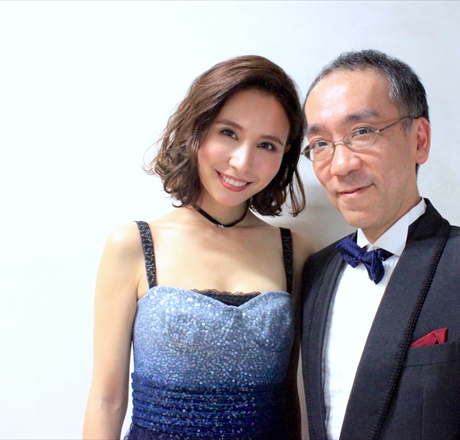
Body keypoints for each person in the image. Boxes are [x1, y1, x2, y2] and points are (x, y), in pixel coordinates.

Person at [300, 50, 460, 439]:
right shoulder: (316, 272)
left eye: (362, 132)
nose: (340, 165)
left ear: (419, 140)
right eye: (320, 143)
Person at [83, 55, 314, 439]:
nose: (242, 162)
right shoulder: (134, 245)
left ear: (284, 155)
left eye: (267, 145)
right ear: (197, 129)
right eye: (229, 133)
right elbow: (106, 400)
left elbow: (289, 398)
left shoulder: (296, 252)